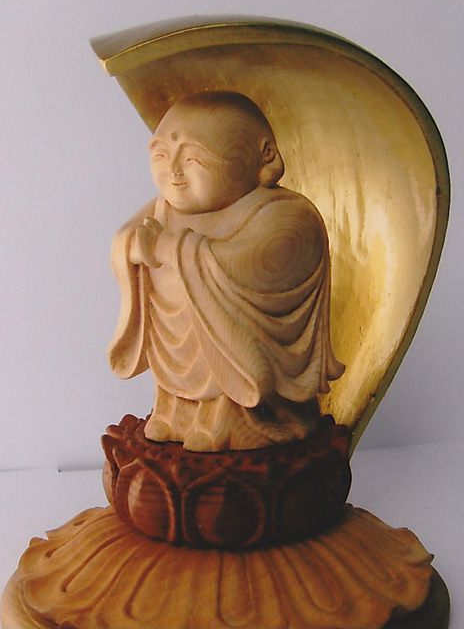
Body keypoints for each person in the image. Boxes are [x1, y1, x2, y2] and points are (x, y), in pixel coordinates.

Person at [109, 91, 344, 451]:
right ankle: (176, 414)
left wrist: (169, 248)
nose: (174, 171)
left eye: (193, 158)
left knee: (227, 364)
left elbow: (250, 262)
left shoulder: (288, 215)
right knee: (180, 374)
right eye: (161, 155)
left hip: (243, 363)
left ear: (265, 155)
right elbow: (127, 236)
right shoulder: (164, 208)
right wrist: (131, 246)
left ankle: (235, 425)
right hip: (178, 346)